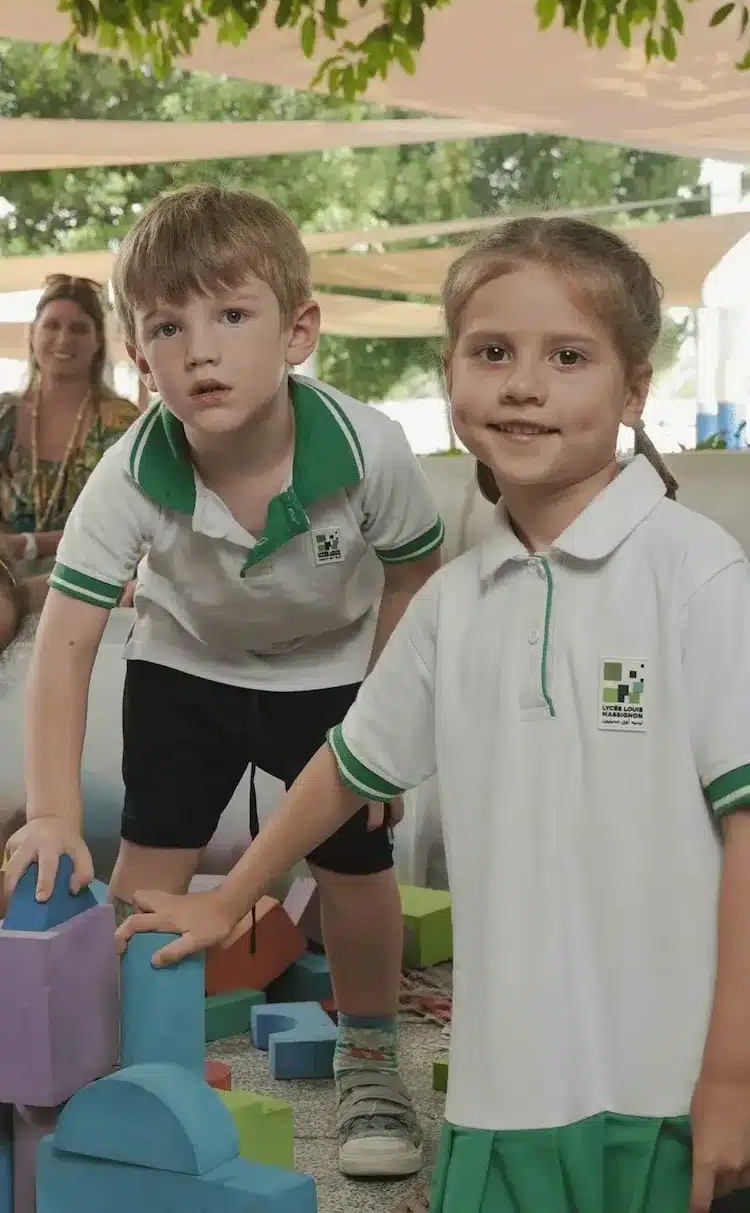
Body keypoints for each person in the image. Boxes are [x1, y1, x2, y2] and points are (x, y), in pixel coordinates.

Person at [113, 216, 750, 1213]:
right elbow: (346, 766)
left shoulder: (695, 572)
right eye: (491, 352)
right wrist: (228, 898)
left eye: (568, 356)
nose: (524, 384)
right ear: (451, 373)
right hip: (500, 1102)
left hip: (668, 1095)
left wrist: (734, 1075)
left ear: (634, 389)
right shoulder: (453, 602)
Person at [4, 183, 444, 1180]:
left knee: (356, 864)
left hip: (331, 673)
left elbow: (415, 578)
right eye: (169, 327)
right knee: (145, 878)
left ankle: (370, 1054)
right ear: (140, 355)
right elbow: (65, 638)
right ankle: (131, 1064)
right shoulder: (129, 472)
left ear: (298, 332)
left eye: (232, 315)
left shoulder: (369, 447)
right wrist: (55, 811)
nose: (201, 349)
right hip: (184, 666)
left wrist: (381, 733)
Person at [0, 274, 138, 571]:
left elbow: (128, 527)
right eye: (52, 325)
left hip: (92, 579)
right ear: (32, 332)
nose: (64, 339)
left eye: (78, 329)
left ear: (98, 341)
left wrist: (28, 544)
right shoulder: (4, 415)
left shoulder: (121, 422)